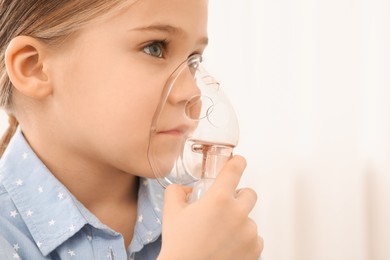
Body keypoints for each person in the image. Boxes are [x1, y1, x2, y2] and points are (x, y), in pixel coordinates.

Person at [0, 0, 263, 259]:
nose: (192, 93)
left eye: (193, 60)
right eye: (154, 48)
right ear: (33, 68)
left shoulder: (203, 214)